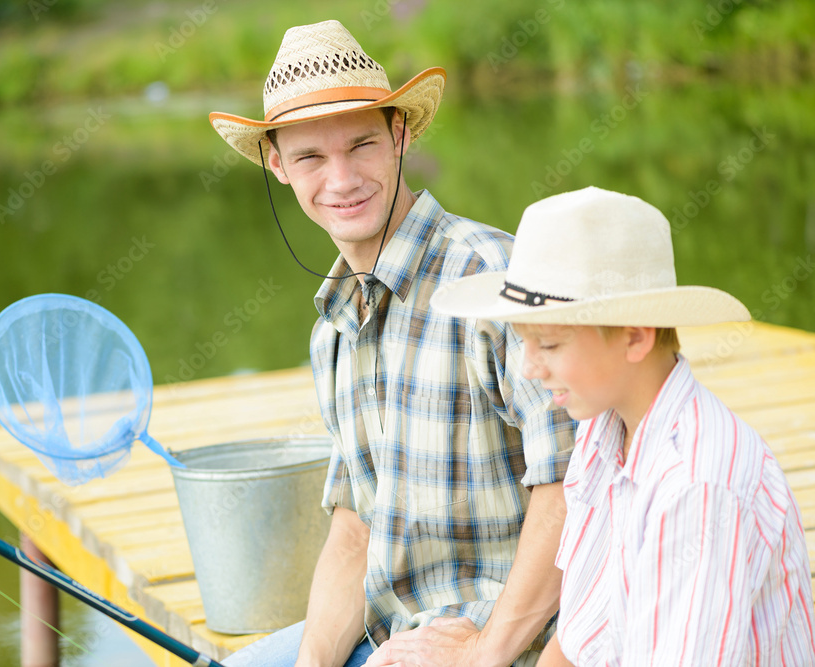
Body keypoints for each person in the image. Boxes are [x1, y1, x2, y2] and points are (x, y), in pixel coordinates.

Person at [210, 20, 575, 667]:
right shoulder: (333, 331)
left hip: (525, 638)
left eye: (361, 145)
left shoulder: (494, 281)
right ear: (277, 165)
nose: (342, 178)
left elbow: (574, 488)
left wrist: (485, 651)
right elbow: (355, 530)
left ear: (400, 134)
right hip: (396, 638)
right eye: (310, 158)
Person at [431, 186, 815, 665]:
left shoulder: (696, 486)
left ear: (634, 336)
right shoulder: (604, 424)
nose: (529, 368)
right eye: (524, 342)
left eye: (548, 345)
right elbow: (578, 634)